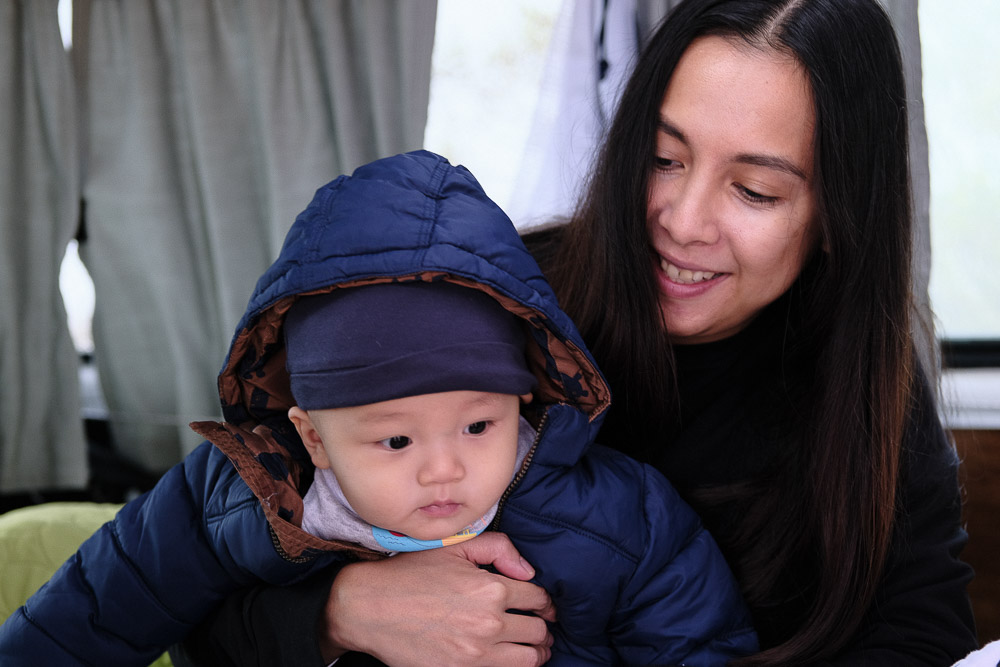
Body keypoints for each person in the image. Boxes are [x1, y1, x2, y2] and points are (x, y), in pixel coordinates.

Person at [198, 0, 978, 665]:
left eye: (753, 190)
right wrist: (342, 611)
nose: (683, 221)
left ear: (838, 214)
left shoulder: (870, 385)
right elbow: (193, 594)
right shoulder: (486, 306)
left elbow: (922, 637)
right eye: (664, 158)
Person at [0, 150, 758, 666]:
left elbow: (699, 644)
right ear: (312, 438)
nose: (444, 467)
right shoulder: (240, 496)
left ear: (525, 397)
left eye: (479, 424)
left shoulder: (621, 516)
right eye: (395, 440)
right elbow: (90, 615)